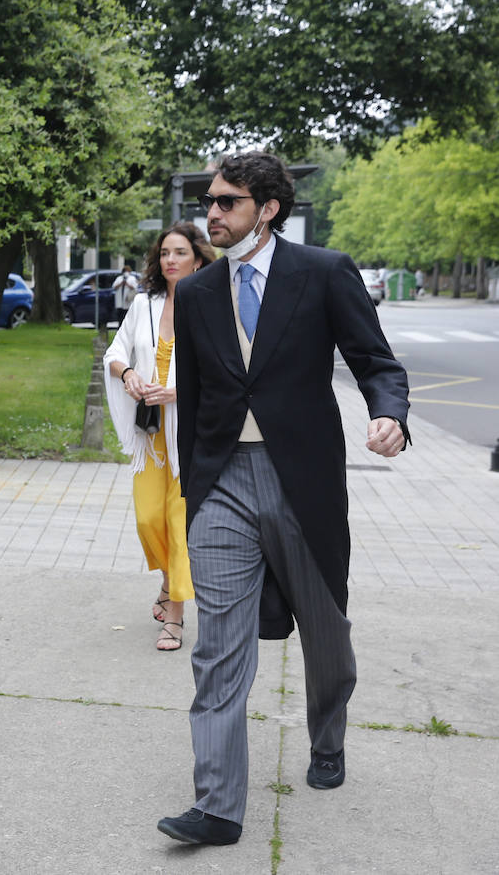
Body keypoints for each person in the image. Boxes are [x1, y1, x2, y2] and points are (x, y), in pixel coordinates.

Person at [158, 152, 410, 846]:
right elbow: (201, 394)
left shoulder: (324, 274)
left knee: (328, 641)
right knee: (218, 651)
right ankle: (217, 806)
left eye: (228, 202)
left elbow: (376, 362)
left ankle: (327, 737)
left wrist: (389, 414)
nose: (213, 213)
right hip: (222, 485)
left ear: (267, 210)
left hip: (303, 482)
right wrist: (194, 487)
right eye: (210, 200)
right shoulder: (201, 292)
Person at [103, 223, 216, 651]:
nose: (170, 260)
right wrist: (130, 374)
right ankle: (169, 582)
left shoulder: (211, 305)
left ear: (199, 259)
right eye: (165, 252)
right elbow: (115, 352)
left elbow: (224, 373)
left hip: (190, 436)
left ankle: (175, 617)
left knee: (178, 524)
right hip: (151, 435)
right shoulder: (144, 303)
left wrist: (179, 392)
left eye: (180, 252)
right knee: (148, 519)